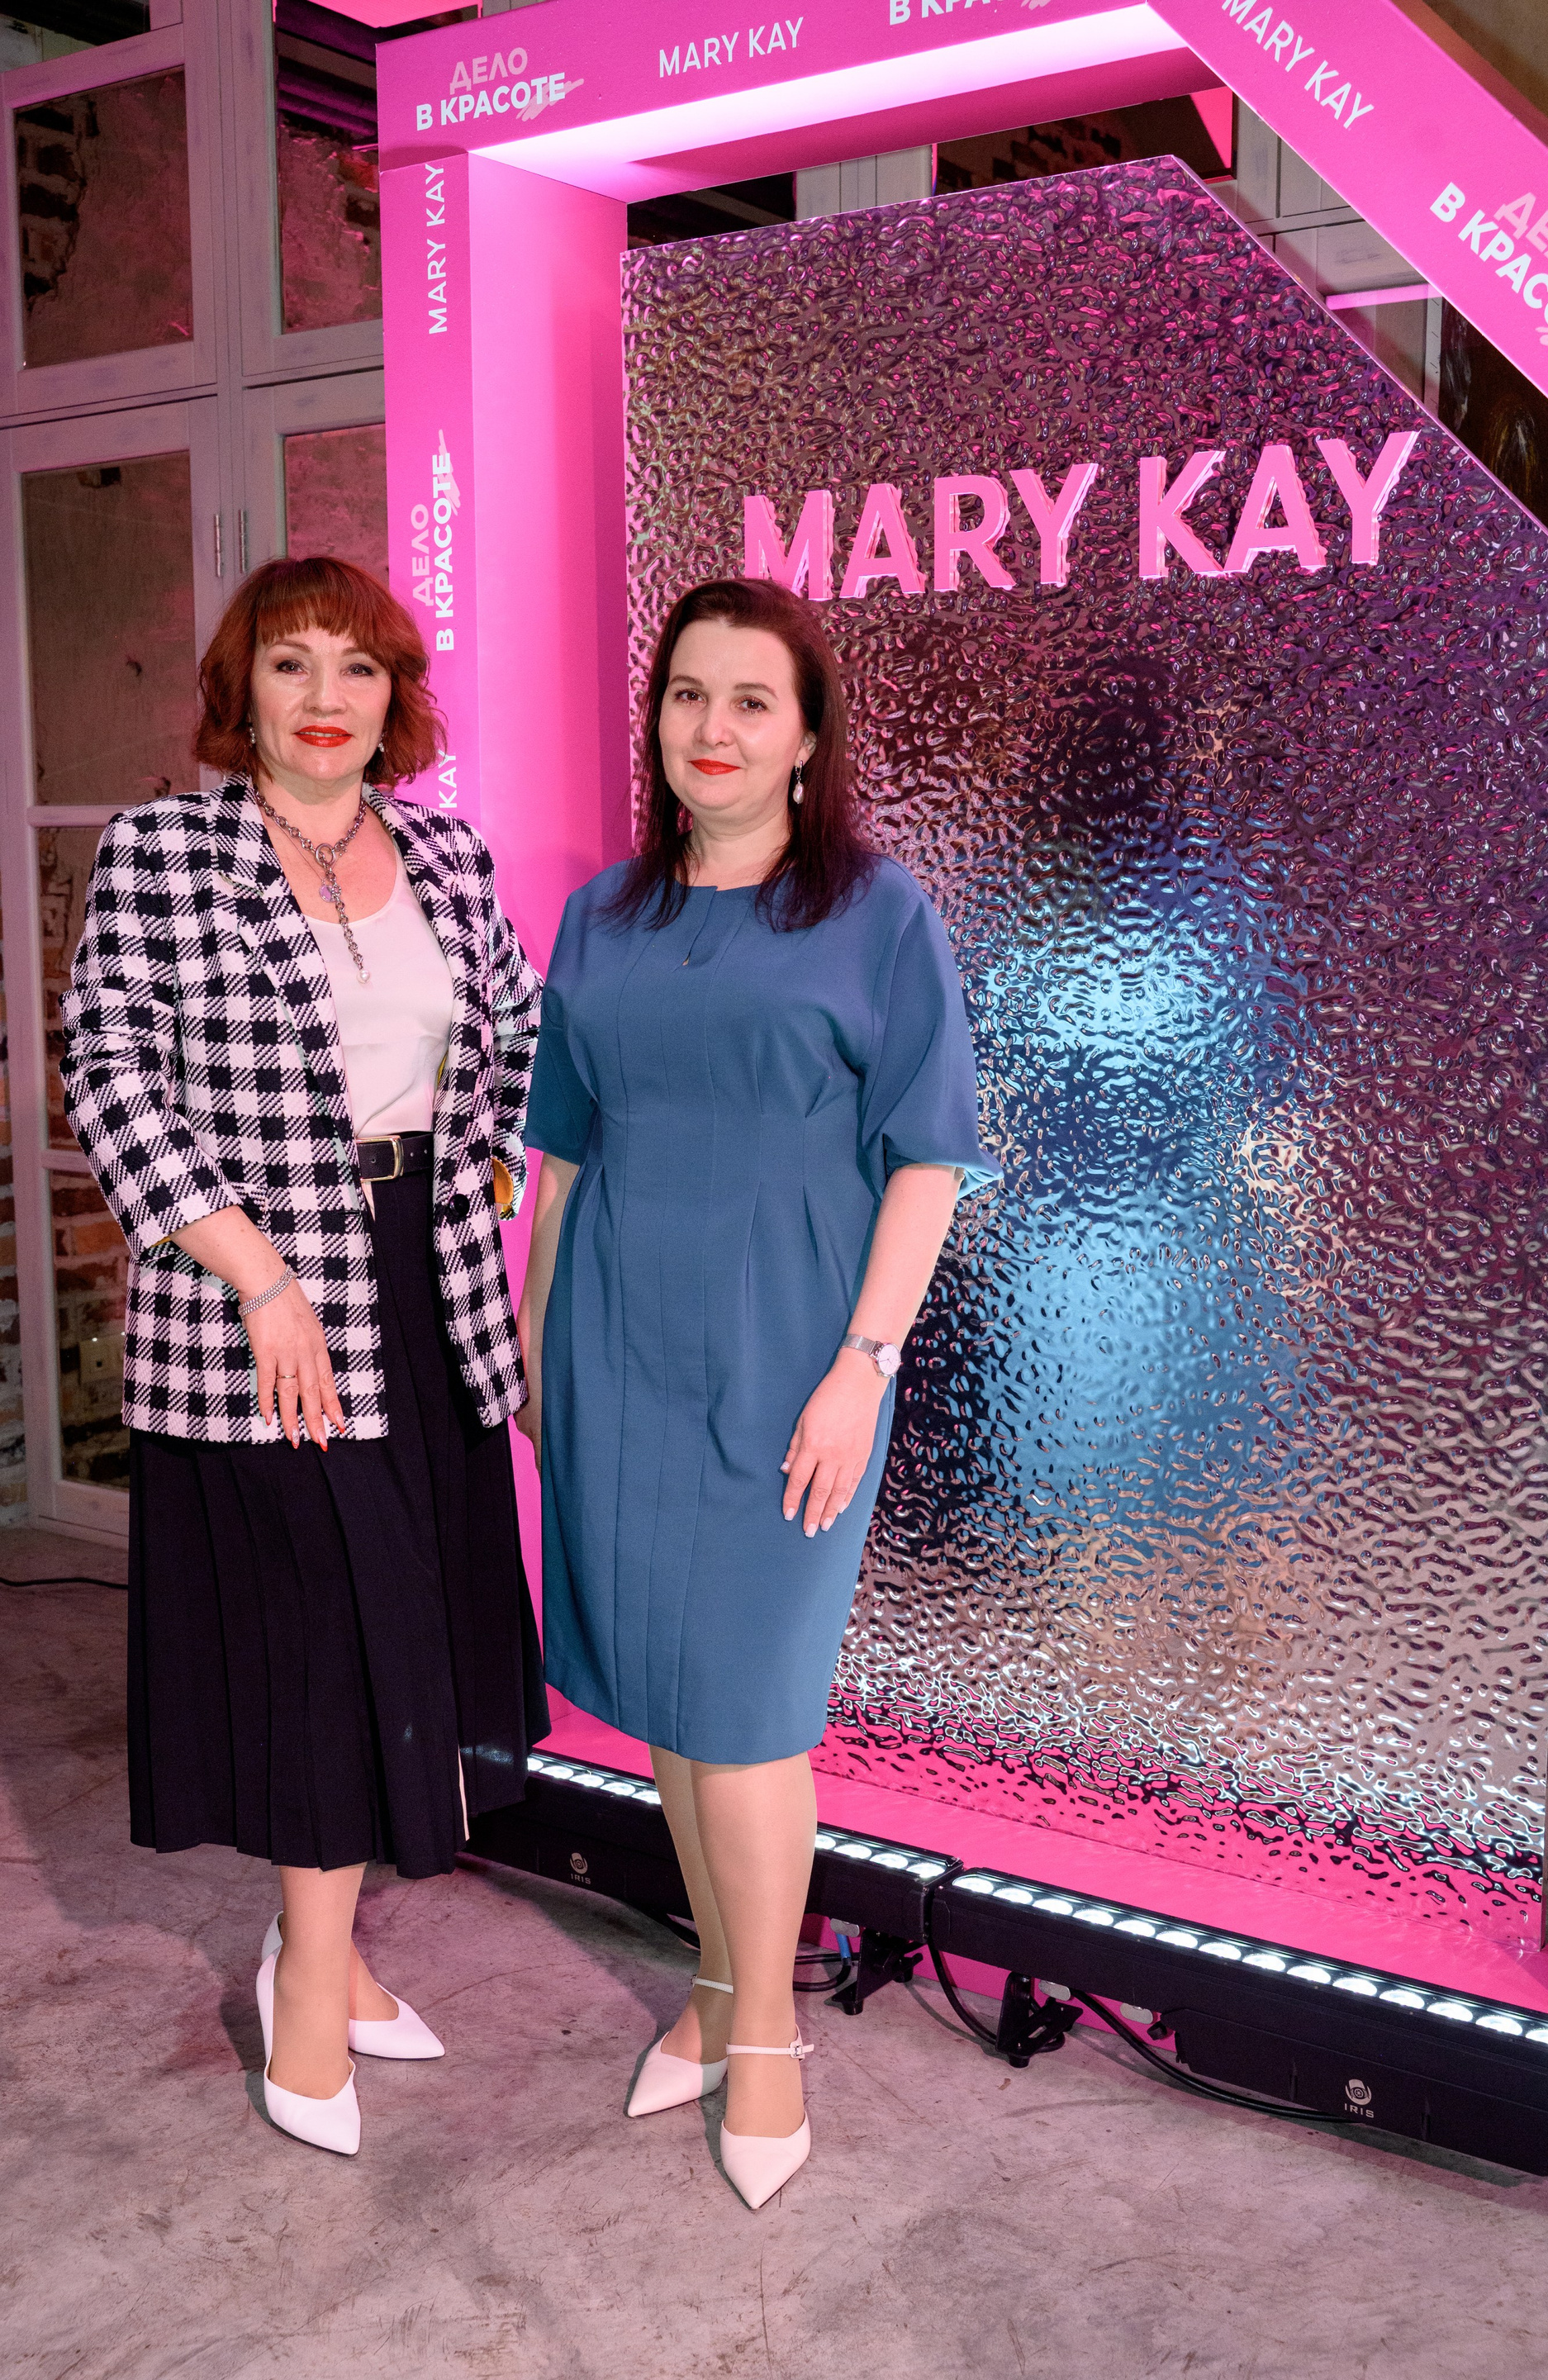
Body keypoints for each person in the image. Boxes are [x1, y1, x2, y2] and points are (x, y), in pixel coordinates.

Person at [516, 577, 995, 2209]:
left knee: (749, 1711)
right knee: (668, 1699)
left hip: (795, 1357)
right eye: (686, 695)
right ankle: (719, 1988)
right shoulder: (601, 917)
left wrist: (864, 1370)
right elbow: (562, 1153)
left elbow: (929, 1159)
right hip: (616, 1346)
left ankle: (770, 2033)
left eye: (748, 701)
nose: (709, 728)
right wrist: (534, 1340)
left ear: (805, 739)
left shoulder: (876, 915)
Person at [61, 555, 548, 2159]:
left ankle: (316, 1959)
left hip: (423, 1282)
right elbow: (110, 1076)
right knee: (321, 1636)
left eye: (357, 664)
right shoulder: (163, 852)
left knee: (401, 1625)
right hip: (252, 1301)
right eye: (292, 664)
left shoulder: (447, 853)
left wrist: (504, 1182)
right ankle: (314, 1987)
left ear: (394, 693)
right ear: (242, 690)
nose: (327, 696)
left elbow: (521, 1046)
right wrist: (259, 1275)